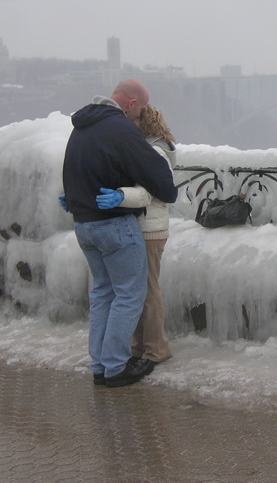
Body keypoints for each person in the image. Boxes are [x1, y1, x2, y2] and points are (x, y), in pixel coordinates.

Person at [60, 79, 178, 388]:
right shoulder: (120, 129)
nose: (138, 114)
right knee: (129, 295)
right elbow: (160, 181)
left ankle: (99, 365)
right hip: (114, 225)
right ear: (130, 105)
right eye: (138, 108)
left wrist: (75, 198)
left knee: (102, 293)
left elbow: (74, 169)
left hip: (83, 222)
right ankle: (115, 367)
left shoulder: (81, 127)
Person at [95, 105, 176, 372]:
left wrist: (120, 196)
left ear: (144, 122)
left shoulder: (154, 152)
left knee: (148, 291)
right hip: (141, 226)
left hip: (149, 229)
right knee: (138, 292)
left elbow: (150, 193)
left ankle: (155, 349)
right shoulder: (150, 149)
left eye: (133, 120)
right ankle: (139, 346)